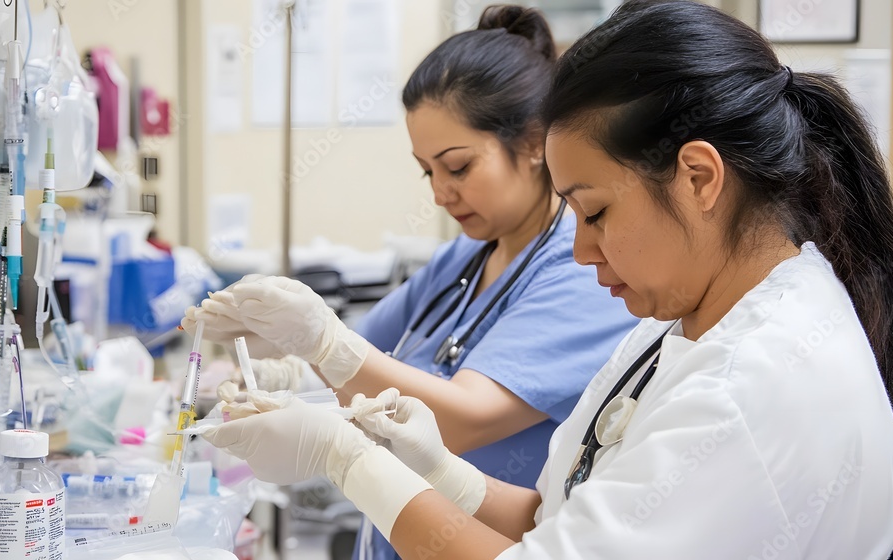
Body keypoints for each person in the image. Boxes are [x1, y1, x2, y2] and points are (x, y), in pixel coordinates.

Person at [194, 1, 893, 558]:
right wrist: (440, 468)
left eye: (594, 212)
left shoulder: (749, 389)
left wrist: (343, 455)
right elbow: (561, 513)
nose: (584, 250)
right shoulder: (676, 326)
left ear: (699, 179)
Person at [183, 6, 637, 559]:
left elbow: (461, 420)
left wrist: (321, 342)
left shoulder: (583, 270)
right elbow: (358, 356)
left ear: (533, 144)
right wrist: (263, 354)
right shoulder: (466, 257)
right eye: (428, 171)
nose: (440, 193)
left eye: (458, 166)